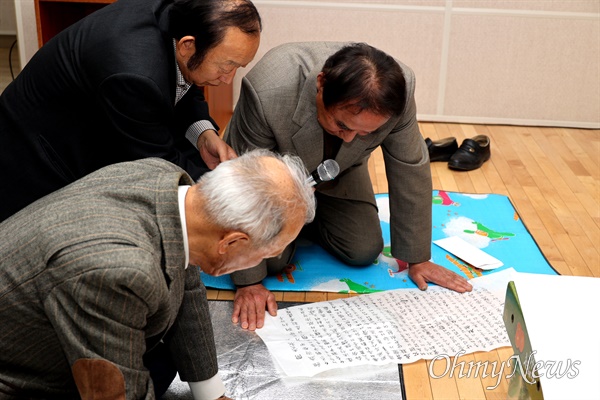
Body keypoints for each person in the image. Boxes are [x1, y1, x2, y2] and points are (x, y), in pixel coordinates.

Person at [0, 150, 316, 399]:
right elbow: (115, 393)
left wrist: (212, 395)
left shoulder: (171, 184)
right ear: (232, 242)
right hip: (20, 379)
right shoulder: (119, 272)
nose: (269, 260)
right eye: (267, 253)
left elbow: (187, 285)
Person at [224, 42, 474, 331]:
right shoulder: (269, 90)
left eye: (365, 132)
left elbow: (410, 168)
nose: (350, 139)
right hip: (271, 179)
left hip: (339, 171)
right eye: (341, 124)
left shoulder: (399, 92)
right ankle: (292, 229)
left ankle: (310, 221)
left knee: (363, 250)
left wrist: (418, 259)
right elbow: (243, 181)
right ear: (321, 85)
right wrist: (250, 281)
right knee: (271, 263)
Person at [0, 0, 261, 222]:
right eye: (227, 66)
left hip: (102, 116)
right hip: (37, 153)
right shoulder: (135, 75)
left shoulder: (184, 19)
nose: (229, 79)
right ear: (187, 45)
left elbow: (188, 76)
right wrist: (232, 192)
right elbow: (159, 167)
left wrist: (205, 134)